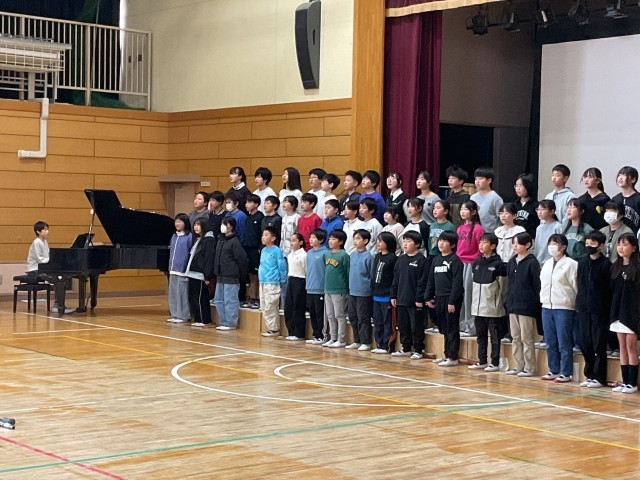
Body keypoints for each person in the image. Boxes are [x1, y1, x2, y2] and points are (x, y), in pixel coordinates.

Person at [539, 234, 578, 383]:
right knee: (550, 341)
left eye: (555, 243)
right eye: (550, 243)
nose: (552, 246)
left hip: (564, 306)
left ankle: (566, 372)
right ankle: (553, 369)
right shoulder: (547, 264)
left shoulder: (571, 264)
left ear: (563, 246)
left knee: (564, 341)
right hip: (546, 306)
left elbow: (575, 286)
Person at [576, 231, 611, 389]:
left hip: (599, 310)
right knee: (585, 342)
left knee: (599, 344)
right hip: (584, 308)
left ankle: (599, 376)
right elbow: (580, 283)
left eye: (593, 243)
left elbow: (608, 289)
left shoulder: (606, 264)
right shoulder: (583, 263)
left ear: (600, 246)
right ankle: (589, 374)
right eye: (587, 243)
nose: (589, 246)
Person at [468, 233, 508, 372]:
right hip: (477, 307)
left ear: (493, 246)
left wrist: (497, 302)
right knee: (481, 336)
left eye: (484, 242)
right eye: (480, 242)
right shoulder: (476, 263)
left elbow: (503, 288)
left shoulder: (499, 265)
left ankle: (494, 363)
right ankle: (482, 360)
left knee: (495, 337)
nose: (481, 245)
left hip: (493, 308)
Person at [425, 231, 464, 366]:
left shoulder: (455, 261)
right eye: (440, 240)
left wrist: (452, 301)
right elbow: (431, 280)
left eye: (445, 241)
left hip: (451, 299)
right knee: (443, 328)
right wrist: (428, 296)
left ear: (452, 245)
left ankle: (453, 357)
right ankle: (446, 354)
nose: (441, 243)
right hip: (439, 297)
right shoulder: (436, 260)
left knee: (452, 328)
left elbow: (457, 283)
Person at [505, 232, 541, 377]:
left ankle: (530, 367)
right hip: (512, 305)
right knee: (515, 337)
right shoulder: (512, 262)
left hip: (526, 307)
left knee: (527, 338)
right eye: (513, 243)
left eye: (518, 243)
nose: (515, 246)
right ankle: (518, 365)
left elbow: (536, 285)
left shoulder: (532, 262)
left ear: (527, 245)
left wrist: (533, 303)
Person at [391, 230, 430, 359]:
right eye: (404, 241)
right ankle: (406, 348)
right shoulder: (400, 260)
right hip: (401, 299)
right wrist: (393, 295)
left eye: (409, 241)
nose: (405, 244)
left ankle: (418, 349)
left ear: (417, 244)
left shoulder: (422, 261)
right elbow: (395, 279)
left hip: (415, 301)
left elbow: (422, 282)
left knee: (416, 327)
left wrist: (419, 298)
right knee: (403, 326)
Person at [609, 232, 640, 394]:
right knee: (621, 346)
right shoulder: (615, 267)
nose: (621, 248)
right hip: (617, 311)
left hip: (632, 312)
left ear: (634, 248)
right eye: (619, 244)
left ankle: (632, 383)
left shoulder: (637, 268)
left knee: (630, 345)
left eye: (625, 244)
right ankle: (625, 381)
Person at [26, 221, 72, 314]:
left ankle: (58, 304)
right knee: (57, 279)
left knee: (60, 277)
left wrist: (53, 261)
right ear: (38, 231)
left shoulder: (44, 242)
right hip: (34, 269)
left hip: (42, 268)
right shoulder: (36, 242)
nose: (47, 231)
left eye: (47, 229)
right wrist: (51, 262)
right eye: (45, 229)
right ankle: (57, 305)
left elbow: (47, 256)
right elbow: (40, 259)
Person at [213, 217, 248, 331]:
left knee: (230, 300)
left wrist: (240, 275)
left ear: (230, 226)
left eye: (225, 224)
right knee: (219, 299)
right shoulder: (220, 240)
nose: (222, 226)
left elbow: (242, 259)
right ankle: (224, 321)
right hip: (220, 275)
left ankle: (231, 322)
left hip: (231, 275)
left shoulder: (234, 241)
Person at [457, 200, 484, 337]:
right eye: (461, 209)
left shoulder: (478, 229)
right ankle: (461, 324)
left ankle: (470, 326)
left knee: (469, 294)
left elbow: (480, 249)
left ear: (473, 212)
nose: (462, 212)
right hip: (459, 263)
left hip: (471, 263)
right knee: (459, 294)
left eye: (465, 209)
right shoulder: (460, 228)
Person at [185, 218, 216, 327]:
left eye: (198, 225)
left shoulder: (209, 240)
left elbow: (208, 259)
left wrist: (207, 276)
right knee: (193, 297)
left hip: (200, 274)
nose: (195, 227)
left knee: (200, 298)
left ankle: (204, 320)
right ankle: (197, 318)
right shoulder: (198, 239)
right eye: (195, 225)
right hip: (192, 272)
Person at [346, 230, 374, 351]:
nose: (355, 241)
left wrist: (369, 289)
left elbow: (371, 275)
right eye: (354, 238)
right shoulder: (352, 255)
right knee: (353, 316)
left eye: (358, 238)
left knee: (363, 317)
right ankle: (357, 340)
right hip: (352, 291)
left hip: (364, 292)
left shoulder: (369, 257)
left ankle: (365, 342)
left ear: (365, 241)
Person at [371, 232, 398, 354]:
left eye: (381, 241)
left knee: (388, 322)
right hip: (376, 295)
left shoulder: (393, 258)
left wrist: (393, 294)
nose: (378, 243)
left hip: (387, 296)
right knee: (378, 321)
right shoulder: (377, 256)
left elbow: (394, 279)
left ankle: (387, 345)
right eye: (377, 241)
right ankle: (379, 343)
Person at [323, 230, 350, 348]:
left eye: (333, 239)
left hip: (339, 289)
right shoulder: (327, 254)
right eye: (329, 239)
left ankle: (341, 339)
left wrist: (346, 288)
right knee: (330, 314)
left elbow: (347, 272)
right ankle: (332, 337)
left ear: (341, 241)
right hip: (327, 289)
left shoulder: (344, 255)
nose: (330, 241)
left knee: (339, 315)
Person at [259, 227, 287, 338]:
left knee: (271, 305)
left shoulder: (276, 250)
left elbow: (281, 266)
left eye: (266, 235)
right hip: (263, 280)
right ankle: (270, 327)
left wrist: (282, 279)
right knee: (264, 305)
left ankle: (274, 329)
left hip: (272, 281)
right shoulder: (263, 250)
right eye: (263, 235)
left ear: (273, 238)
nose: (263, 237)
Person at [167, 213, 193, 324]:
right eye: (176, 221)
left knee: (182, 294)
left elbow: (190, 253)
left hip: (182, 270)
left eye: (180, 221)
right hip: (173, 269)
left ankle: (183, 315)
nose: (177, 224)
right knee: (173, 293)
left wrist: (186, 268)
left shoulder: (189, 237)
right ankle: (175, 314)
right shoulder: (174, 236)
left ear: (185, 223)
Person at [306, 229, 328, 345]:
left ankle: (322, 335)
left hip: (320, 288)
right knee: (313, 313)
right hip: (310, 287)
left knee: (320, 313)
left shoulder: (325, 253)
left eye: (314, 238)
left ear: (321, 240)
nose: (311, 239)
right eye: (310, 237)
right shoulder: (309, 253)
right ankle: (315, 334)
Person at [242, 194, 265, 309]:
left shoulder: (260, 217)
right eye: (246, 202)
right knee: (250, 275)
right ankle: (251, 298)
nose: (247, 205)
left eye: (249, 202)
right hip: (247, 248)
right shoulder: (247, 218)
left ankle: (257, 299)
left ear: (256, 204)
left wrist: (260, 248)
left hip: (256, 249)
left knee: (256, 275)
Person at [284, 233, 307, 341]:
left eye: (294, 240)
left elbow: (306, 270)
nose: (291, 243)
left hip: (300, 280)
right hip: (291, 279)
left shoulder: (304, 255)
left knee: (298, 307)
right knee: (288, 307)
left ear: (301, 242)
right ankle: (291, 331)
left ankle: (299, 333)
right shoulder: (290, 255)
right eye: (291, 241)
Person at [470, 166, 503, 233]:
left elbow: (501, 219)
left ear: (489, 180)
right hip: (474, 233)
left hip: (490, 234)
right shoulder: (472, 197)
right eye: (476, 179)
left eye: (480, 178)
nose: (477, 181)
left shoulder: (496, 198)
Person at [612, 166, 640, 234]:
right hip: (618, 236)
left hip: (634, 236)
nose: (620, 178)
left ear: (633, 179)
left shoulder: (638, 199)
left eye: (624, 175)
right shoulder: (615, 199)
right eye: (619, 175)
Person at [534, 199, 563, 265]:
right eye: (538, 209)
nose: (539, 212)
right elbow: (537, 247)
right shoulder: (539, 228)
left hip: (552, 262)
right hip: (538, 261)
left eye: (543, 209)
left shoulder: (557, 226)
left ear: (552, 211)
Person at [514, 173, 540, 238]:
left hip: (530, 238)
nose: (518, 188)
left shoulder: (536, 205)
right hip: (515, 238)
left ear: (528, 186)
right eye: (516, 186)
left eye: (521, 186)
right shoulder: (514, 205)